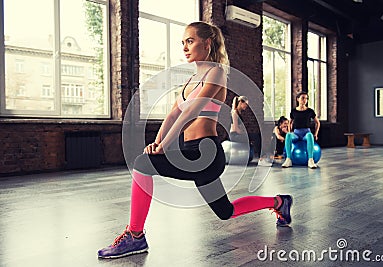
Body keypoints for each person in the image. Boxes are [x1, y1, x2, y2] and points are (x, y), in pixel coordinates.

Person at [97, 21, 293, 259]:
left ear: (207, 43)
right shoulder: (189, 81)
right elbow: (173, 115)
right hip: (188, 150)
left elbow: (192, 111)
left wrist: (164, 145)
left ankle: (135, 236)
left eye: (190, 41)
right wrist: (157, 144)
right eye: (183, 42)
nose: (185, 47)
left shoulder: (217, 73)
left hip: (206, 153)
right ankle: (279, 202)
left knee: (141, 164)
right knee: (225, 211)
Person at [281, 92, 320, 169]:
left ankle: (310, 160)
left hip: (306, 133)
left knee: (310, 135)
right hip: (296, 133)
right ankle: (288, 159)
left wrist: (316, 134)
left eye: (306, 98)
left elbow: (318, 123)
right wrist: (290, 131)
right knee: (288, 135)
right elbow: (290, 122)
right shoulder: (293, 111)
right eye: (303, 98)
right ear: (298, 99)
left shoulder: (310, 111)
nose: (305, 100)